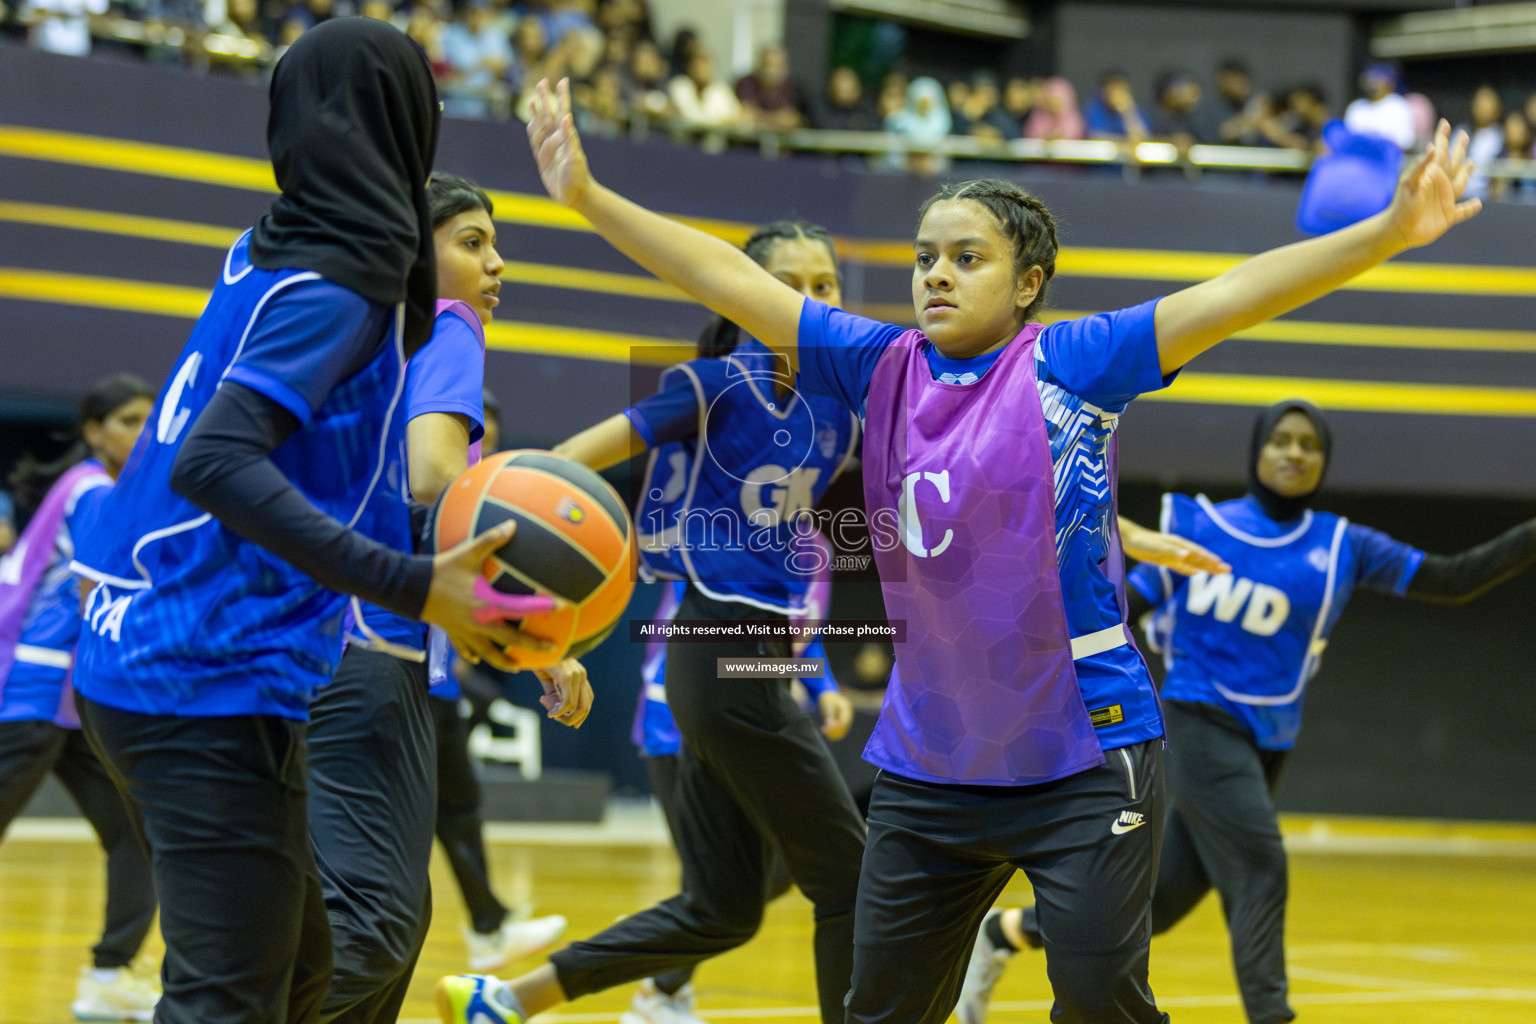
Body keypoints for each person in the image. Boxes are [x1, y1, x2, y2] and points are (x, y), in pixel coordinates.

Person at [448, 79, 1480, 1024]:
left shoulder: (1077, 362)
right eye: (926, 257)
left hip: (1084, 752)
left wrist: (1392, 228)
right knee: (883, 1006)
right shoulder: (877, 362)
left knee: (1095, 993)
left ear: (1030, 282)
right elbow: (731, 277)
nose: (937, 274)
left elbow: (1237, 292)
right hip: (931, 765)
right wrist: (584, 192)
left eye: (967, 257)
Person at [67, 21, 547, 1024]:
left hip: (161, 649)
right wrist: (418, 584)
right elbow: (213, 460)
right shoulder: (339, 281)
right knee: (232, 996)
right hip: (195, 670)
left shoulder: (272, 244)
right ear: (409, 119)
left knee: (303, 976)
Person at [961, 399, 1536, 1024]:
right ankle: (1272, 1015)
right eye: (1281, 440)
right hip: (1196, 720)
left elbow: (1451, 578)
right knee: (1260, 866)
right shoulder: (1201, 529)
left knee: (1159, 905)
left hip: (1269, 743)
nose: (1294, 452)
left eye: (1308, 445)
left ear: (1323, 462)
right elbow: (1124, 611)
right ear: (1258, 450)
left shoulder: (1343, 543)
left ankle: (1005, 933)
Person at [439, 217, 867, 1024]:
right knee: (850, 875)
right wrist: (482, 523)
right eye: (789, 285)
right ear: (741, 299)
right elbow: (563, 462)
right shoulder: (707, 386)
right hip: (719, 648)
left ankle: (507, 998)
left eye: (826, 287)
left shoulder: (842, 405)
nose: (810, 303)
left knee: (725, 907)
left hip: (749, 659)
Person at [308, 171, 584, 1024]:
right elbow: (433, 478)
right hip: (361, 658)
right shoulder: (446, 323)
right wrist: (537, 631)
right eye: (472, 243)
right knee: (376, 929)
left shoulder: (344, 337)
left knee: (397, 920)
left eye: (495, 245)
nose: (496, 265)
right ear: (411, 253)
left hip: (327, 654)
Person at [623, 545, 850, 1024]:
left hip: (750, 725)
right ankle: (655, 987)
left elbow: (797, 639)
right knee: (713, 883)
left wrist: (823, 687)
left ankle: (659, 968)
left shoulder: (817, 553)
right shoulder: (719, 533)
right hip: (682, 728)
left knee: (791, 865)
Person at [0, 375, 157, 1022]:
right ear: (94, 431)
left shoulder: (94, 488)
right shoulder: (95, 494)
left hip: (72, 697)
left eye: (151, 419)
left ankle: (110, 977)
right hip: (39, 689)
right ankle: (110, 974)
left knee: (137, 835)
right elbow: (110, 596)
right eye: (126, 420)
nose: (142, 432)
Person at [425, 377, 571, 972]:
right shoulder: (423, 491)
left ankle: (488, 925)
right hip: (384, 676)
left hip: (438, 682)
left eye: (483, 435)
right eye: (463, 430)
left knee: (459, 806)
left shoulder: (485, 505)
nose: (473, 445)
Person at [1344, 63, 1415, 151]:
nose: (1373, 84)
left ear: (1389, 83)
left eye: (1378, 80)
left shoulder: (1399, 106)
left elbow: (1405, 143)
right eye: (1370, 80)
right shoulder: (1356, 107)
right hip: (1359, 158)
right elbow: (1348, 141)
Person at [1085, 70, 1148, 144]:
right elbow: (1097, 139)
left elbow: (1143, 138)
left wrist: (1128, 112)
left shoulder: (1135, 111)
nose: (1116, 93)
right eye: (1111, 89)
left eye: (1120, 88)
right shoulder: (1094, 110)